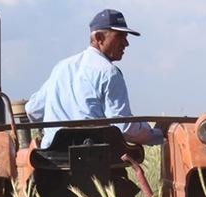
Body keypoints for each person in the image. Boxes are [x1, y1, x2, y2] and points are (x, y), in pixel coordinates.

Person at [25, 8, 164, 149]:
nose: (126, 43)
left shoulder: (62, 67)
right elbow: (124, 126)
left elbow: (33, 110)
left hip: (51, 160)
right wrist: (157, 134)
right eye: (120, 36)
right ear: (99, 38)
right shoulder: (109, 73)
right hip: (95, 158)